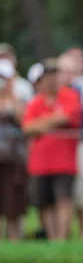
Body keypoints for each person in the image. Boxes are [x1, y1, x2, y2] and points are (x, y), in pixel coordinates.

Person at [22, 58, 82, 240]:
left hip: (64, 161)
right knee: (44, 202)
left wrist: (41, 123)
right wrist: (52, 120)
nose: (52, 79)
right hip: (40, 163)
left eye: (54, 75)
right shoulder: (35, 102)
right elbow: (28, 128)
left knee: (63, 199)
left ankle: (62, 239)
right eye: (48, 76)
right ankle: (52, 238)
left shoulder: (70, 96)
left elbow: (66, 117)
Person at [58, 52, 83, 240]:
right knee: (67, 192)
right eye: (63, 71)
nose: (67, 75)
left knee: (82, 191)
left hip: (82, 144)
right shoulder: (57, 91)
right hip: (62, 147)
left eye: (71, 70)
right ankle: (65, 234)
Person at [0, 59, 28, 240]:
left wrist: (11, 106)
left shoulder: (20, 100)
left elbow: (25, 122)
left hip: (14, 161)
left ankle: (14, 240)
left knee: (13, 206)